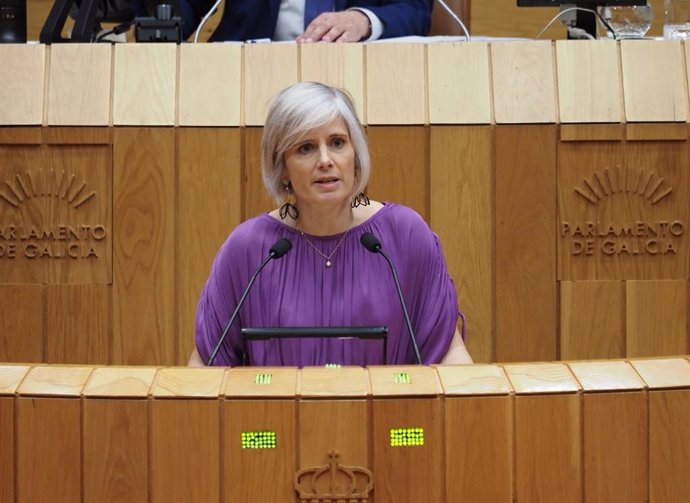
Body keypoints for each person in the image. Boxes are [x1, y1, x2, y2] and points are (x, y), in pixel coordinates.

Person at [189, 81, 472, 367]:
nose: (325, 160)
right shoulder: (249, 249)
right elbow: (206, 368)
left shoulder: (405, 236)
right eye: (306, 148)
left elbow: (449, 354)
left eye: (337, 143)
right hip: (274, 413)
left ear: (355, 155)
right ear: (282, 168)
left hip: (391, 413)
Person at [170, 0, 433, 42]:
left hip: (357, 73)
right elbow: (182, 9)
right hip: (246, 77)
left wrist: (362, 20)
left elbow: (414, 10)